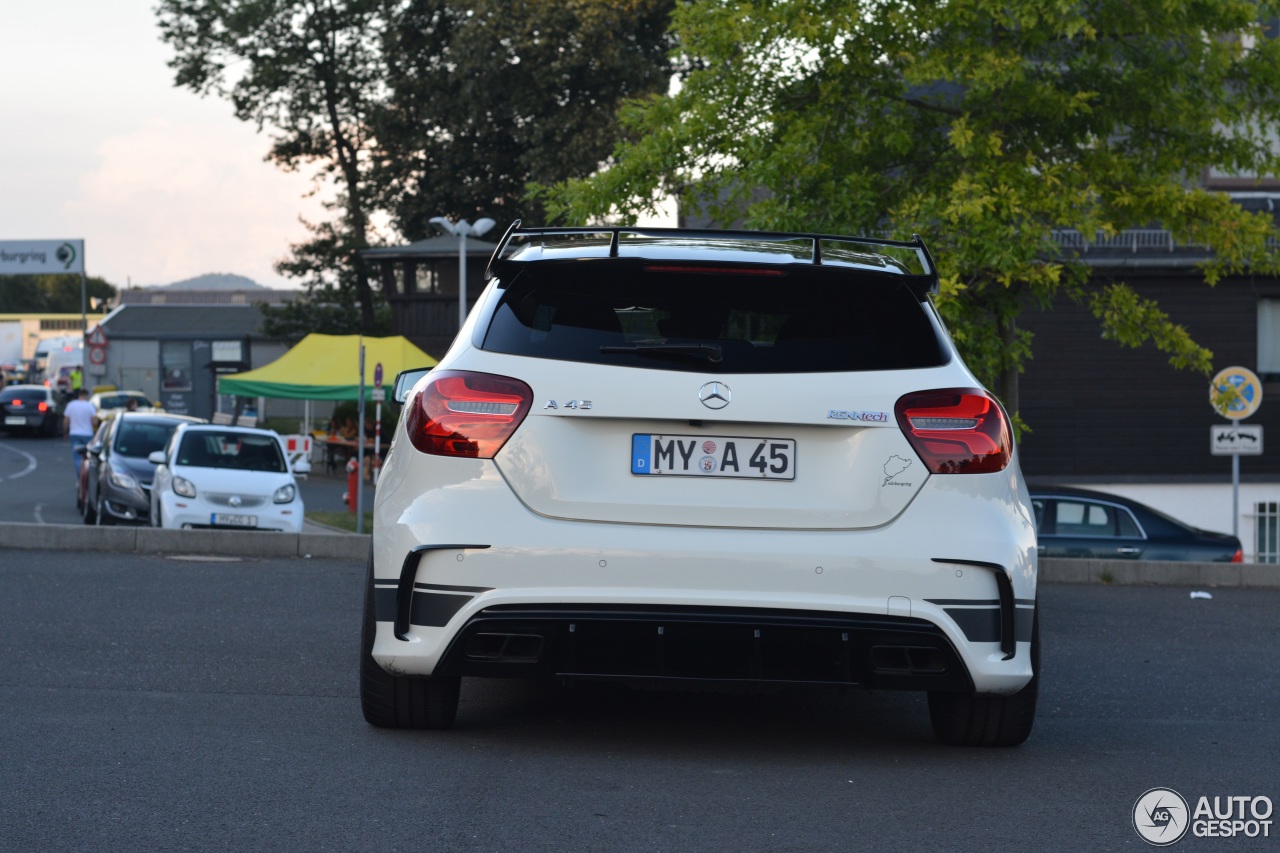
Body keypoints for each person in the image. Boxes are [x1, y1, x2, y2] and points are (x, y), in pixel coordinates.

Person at [63, 388, 97, 481]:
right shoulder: (90, 406)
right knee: (88, 457)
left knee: (77, 457)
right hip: (87, 434)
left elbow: (66, 421)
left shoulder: (71, 405)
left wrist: (65, 432)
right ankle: (87, 477)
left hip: (74, 433)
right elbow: (94, 421)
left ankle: (80, 479)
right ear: (86, 395)